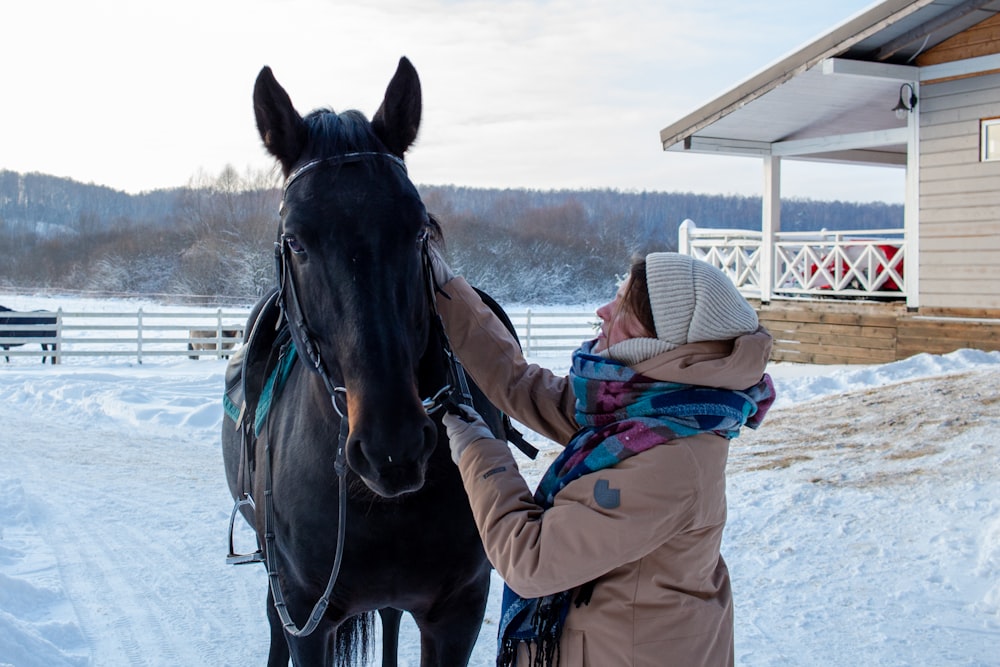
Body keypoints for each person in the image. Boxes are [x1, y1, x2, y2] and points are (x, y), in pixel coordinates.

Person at [432, 250, 776, 667]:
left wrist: (477, 449)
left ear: (658, 340)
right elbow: (521, 384)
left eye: (622, 305)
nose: (603, 310)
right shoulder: (651, 411)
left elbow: (531, 559)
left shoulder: (671, 460)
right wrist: (447, 288)